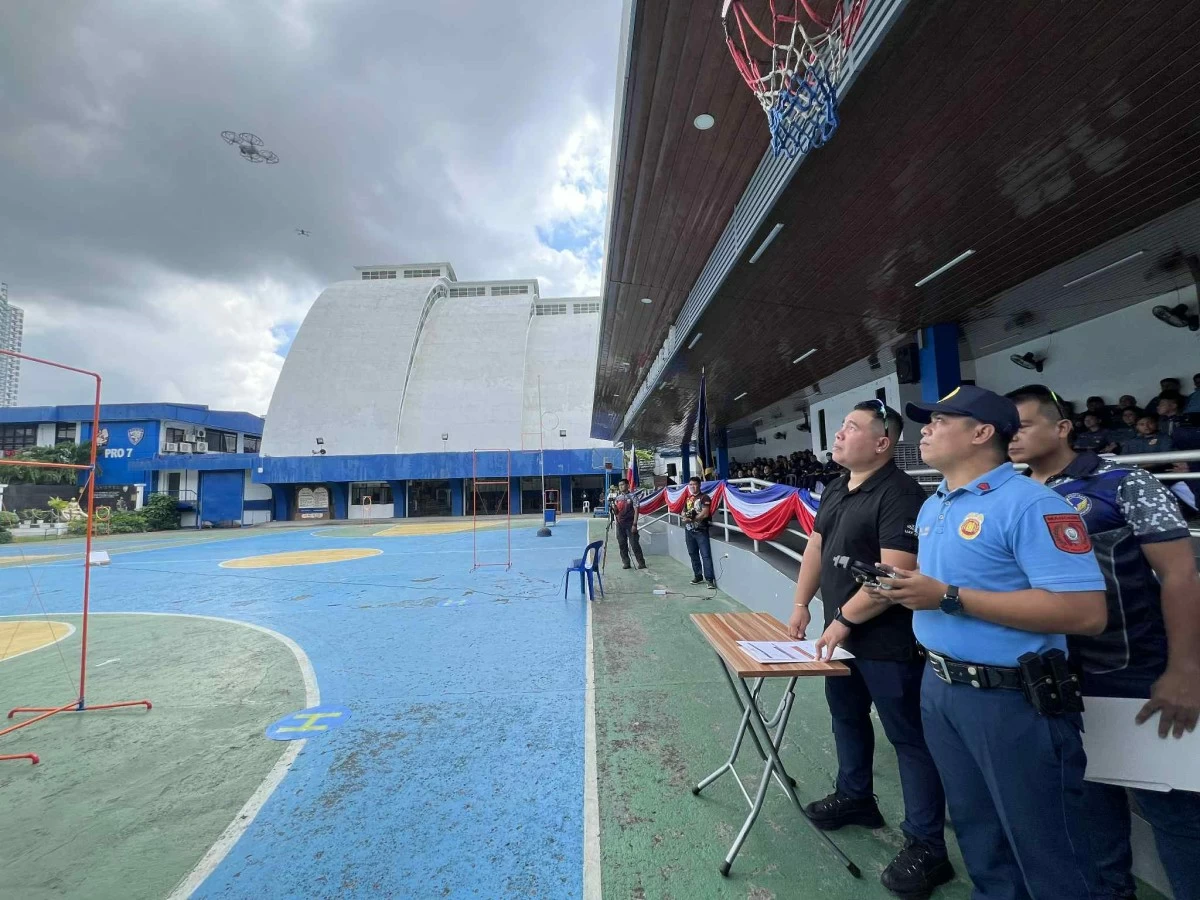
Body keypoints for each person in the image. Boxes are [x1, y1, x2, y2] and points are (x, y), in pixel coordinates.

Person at [868, 385, 1109, 899]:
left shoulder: (1032, 505)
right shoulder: (935, 504)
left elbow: (1086, 612)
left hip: (1011, 701)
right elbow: (941, 593)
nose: (925, 430)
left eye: (940, 421)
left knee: (1047, 849)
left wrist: (949, 597)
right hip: (942, 688)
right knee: (981, 839)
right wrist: (904, 589)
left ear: (982, 433)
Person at [1007, 384, 1200, 900]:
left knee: (1178, 818)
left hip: (1137, 674)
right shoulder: (1010, 495)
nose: (1011, 437)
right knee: (1089, 822)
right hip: (1056, 680)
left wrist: (1184, 670)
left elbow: (1181, 577)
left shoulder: (1122, 482)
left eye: (1022, 424)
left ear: (1062, 426)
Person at [787, 400, 953, 898]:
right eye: (840, 426)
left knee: (909, 739)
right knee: (847, 719)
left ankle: (927, 845)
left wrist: (841, 620)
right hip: (842, 636)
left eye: (851, 428)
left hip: (887, 641)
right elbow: (816, 547)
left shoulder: (900, 494)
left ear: (883, 443)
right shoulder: (838, 487)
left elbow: (893, 575)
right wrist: (800, 603)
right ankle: (857, 797)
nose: (838, 435)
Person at [682, 475, 716, 588]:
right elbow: (683, 512)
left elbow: (705, 513)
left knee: (705, 555)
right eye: (690, 484)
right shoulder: (688, 498)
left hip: (701, 530)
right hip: (689, 531)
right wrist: (685, 517)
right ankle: (698, 575)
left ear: (699, 485)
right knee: (693, 554)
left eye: (695, 484)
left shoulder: (704, 497)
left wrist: (692, 519)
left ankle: (709, 579)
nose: (692, 487)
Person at [610, 478, 646, 570]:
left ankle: (641, 563)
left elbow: (637, 510)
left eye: (622, 484)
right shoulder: (617, 498)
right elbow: (616, 512)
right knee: (622, 544)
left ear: (627, 485)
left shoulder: (633, 496)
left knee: (634, 544)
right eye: (619, 485)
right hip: (620, 524)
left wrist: (634, 524)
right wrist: (613, 507)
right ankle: (626, 562)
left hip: (630, 524)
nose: (621, 487)